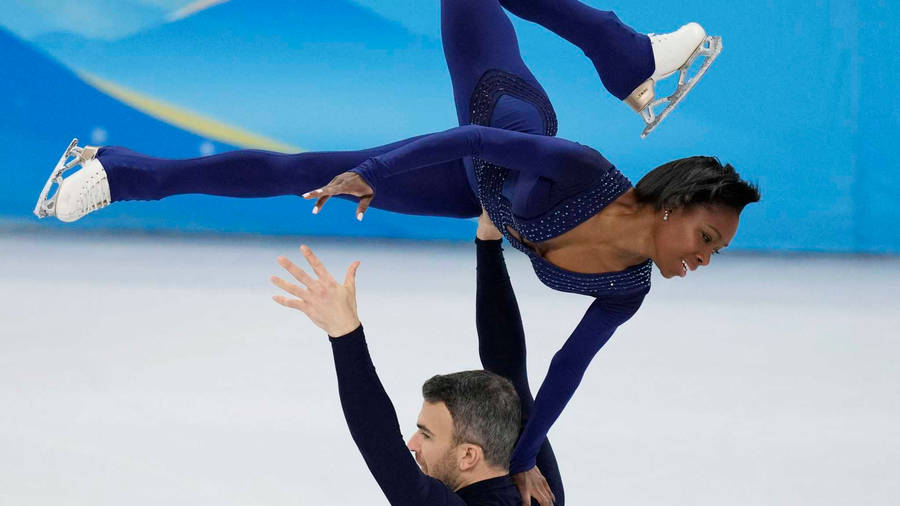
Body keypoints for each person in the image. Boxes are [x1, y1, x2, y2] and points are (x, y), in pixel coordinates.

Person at [35, 1, 760, 502]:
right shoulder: (585, 171)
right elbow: (476, 142)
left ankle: (626, 52)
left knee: (301, 178)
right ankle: (123, 174)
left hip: (483, 199)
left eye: (716, 252)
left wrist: (525, 457)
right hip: (497, 116)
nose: (703, 258)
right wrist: (376, 173)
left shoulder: (627, 287)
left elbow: (559, 373)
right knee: (316, 169)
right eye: (705, 237)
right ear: (671, 206)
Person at [270, 242, 526, 505]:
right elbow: (507, 362)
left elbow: (381, 442)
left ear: (468, 455)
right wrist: (488, 242)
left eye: (426, 435)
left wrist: (345, 335)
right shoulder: (540, 493)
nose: (412, 444)